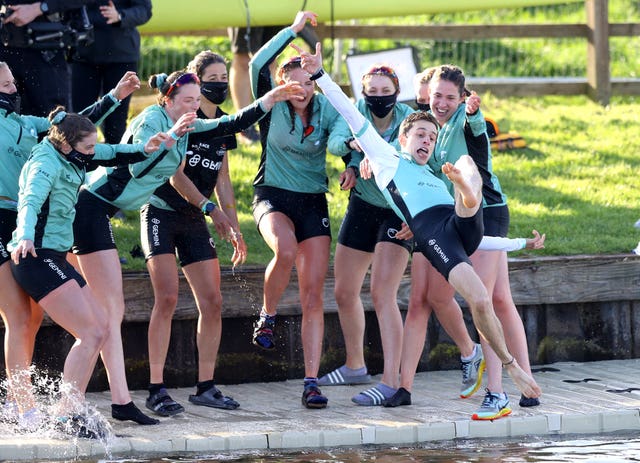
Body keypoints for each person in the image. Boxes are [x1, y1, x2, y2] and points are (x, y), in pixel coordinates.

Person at [294, 39, 542, 404]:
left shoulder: (433, 173)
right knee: (478, 298)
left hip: (460, 220)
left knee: (484, 296)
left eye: (431, 136)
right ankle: (509, 367)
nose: (427, 140)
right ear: (402, 138)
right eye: (420, 135)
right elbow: (349, 111)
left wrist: (521, 244)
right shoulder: (388, 158)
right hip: (435, 232)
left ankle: (466, 189)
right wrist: (319, 73)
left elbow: (476, 242)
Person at [70, 70, 303, 420]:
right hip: (95, 207)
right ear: (167, 100)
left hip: (108, 213)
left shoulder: (187, 123)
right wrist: (171, 137)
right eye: (187, 102)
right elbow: (135, 168)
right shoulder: (153, 119)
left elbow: (227, 125)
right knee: (112, 314)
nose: (195, 108)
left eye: (197, 102)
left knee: (114, 313)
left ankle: (128, 401)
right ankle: (116, 398)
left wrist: (269, 100)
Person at [8, 106, 166, 437]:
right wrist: (24, 233)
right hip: (36, 256)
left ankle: (67, 411)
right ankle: (66, 413)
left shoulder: (71, 154)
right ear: (67, 145)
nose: (92, 154)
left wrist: (144, 147)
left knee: (103, 328)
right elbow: (30, 201)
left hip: (54, 257)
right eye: (87, 149)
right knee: (91, 332)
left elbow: (110, 152)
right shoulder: (45, 163)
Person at [398, 64, 541, 420]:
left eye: (450, 97)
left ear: (462, 98)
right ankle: (530, 388)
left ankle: (497, 393)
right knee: (500, 300)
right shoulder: (434, 130)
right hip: (466, 214)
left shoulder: (465, 119)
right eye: (436, 97)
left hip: (486, 214)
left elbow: (476, 130)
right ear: (427, 96)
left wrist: (474, 113)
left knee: (482, 303)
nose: (442, 103)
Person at [142, 51, 252, 416]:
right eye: (214, 77)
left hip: (195, 217)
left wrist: (233, 224)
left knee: (213, 301)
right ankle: (156, 388)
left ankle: (206, 386)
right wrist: (210, 209)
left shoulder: (223, 124)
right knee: (168, 298)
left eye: (225, 77)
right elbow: (176, 174)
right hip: (161, 210)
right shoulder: (183, 119)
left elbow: (222, 175)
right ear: (195, 79)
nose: (220, 83)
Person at [247, 11, 343, 409]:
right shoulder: (272, 107)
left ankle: (311, 381)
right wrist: (293, 30)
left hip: (312, 200)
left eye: (308, 83)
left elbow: (344, 136)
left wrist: (352, 165)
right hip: (272, 195)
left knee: (313, 297)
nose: (301, 90)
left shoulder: (327, 109)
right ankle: (267, 314)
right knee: (284, 250)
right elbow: (255, 64)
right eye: (293, 83)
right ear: (283, 83)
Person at [317, 64, 415, 407]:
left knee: (382, 293)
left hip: (398, 211)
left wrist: (374, 156)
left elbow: (414, 158)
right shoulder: (357, 111)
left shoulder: (408, 119)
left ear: (396, 92)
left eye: (385, 92)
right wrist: (353, 154)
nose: (378, 98)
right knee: (344, 290)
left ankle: (392, 383)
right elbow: (333, 141)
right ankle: (355, 366)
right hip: (363, 204)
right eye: (371, 93)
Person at [71, 0, 152, 144]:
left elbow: (145, 10)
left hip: (121, 56)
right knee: (78, 118)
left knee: (116, 120)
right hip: (81, 54)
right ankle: (75, 161)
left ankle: (115, 163)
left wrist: (120, 16)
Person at [0, 1, 93, 116]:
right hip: (5, 51)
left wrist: (39, 8)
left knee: (53, 123)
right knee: (6, 123)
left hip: (46, 54)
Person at [228, 25, 281, 143]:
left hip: (275, 9)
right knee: (244, 57)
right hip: (245, 9)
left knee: (271, 58)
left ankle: (269, 123)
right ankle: (244, 125)